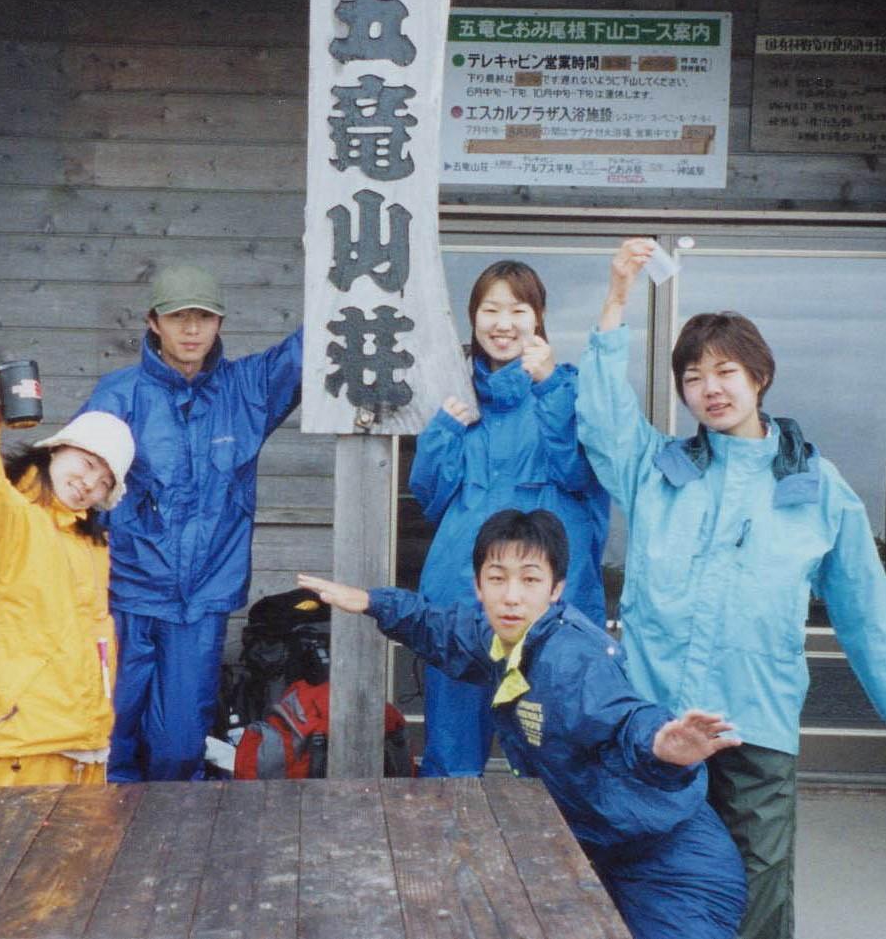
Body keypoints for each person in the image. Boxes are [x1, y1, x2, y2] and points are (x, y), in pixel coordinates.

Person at [575, 237, 886, 939]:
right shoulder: (657, 470)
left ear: (759, 376)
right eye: (692, 376)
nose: (709, 387)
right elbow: (599, 418)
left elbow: (867, 617)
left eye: (725, 370)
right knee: (650, 879)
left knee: (756, 892)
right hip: (655, 725)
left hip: (755, 724)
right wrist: (617, 294)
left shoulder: (815, 488)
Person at [298, 508, 747, 939]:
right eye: (497, 579)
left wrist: (661, 747)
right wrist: (372, 602)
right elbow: (435, 626)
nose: (512, 596)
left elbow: (623, 717)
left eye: (530, 579)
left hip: (669, 866)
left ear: (556, 589)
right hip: (591, 848)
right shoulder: (499, 635)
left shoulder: (570, 659)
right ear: (478, 585)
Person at [78, 263, 303, 781]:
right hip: (123, 596)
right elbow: (72, 492)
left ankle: (171, 849)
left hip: (200, 604)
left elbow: (309, 348)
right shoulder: (118, 396)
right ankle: (107, 849)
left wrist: (346, 273)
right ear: (154, 322)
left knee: (179, 746)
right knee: (108, 738)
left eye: (205, 316)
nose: (192, 329)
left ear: (220, 323)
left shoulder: (247, 389)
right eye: (179, 317)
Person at [408, 259, 609, 777]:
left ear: (537, 318)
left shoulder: (567, 387)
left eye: (517, 310)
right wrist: (443, 434)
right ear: (473, 319)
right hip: (464, 592)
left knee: (555, 748)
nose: (503, 323)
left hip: (545, 598)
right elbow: (430, 498)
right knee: (452, 751)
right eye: (490, 309)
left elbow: (581, 473)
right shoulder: (455, 394)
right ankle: (449, 852)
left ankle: (557, 856)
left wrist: (549, 389)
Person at [0, 367, 135, 787]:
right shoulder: (13, 519)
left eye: (104, 482)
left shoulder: (92, 546)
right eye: (86, 464)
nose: (89, 484)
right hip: (23, 750)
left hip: (87, 747)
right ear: (56, 450)